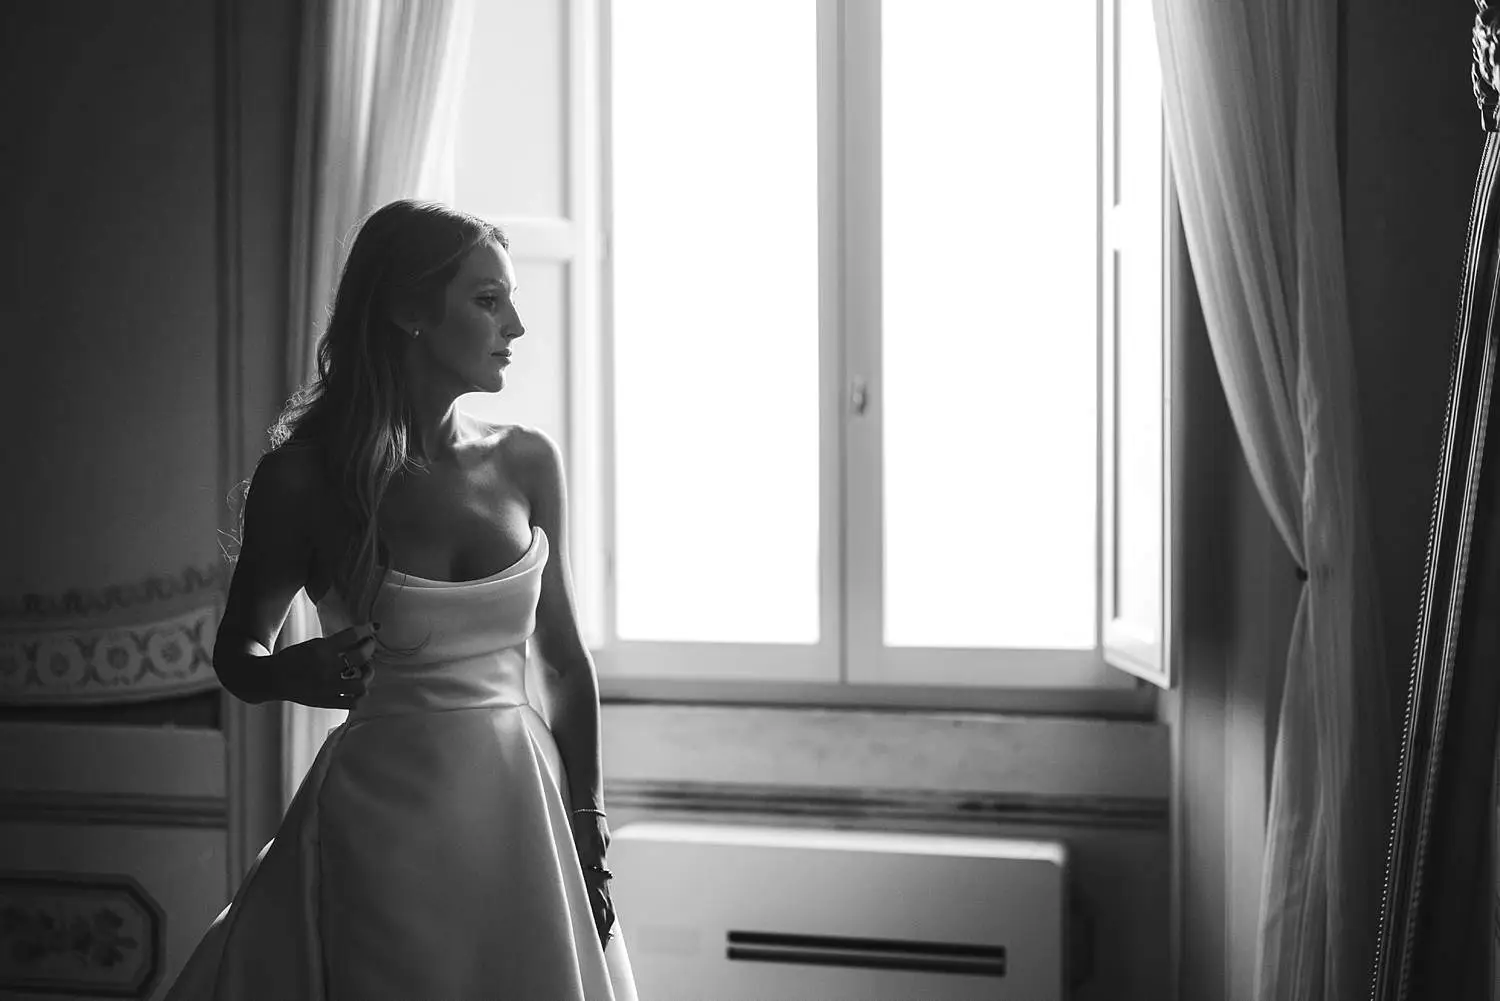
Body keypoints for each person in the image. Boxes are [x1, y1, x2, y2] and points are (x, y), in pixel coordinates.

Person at [164, 199, 639, 1000]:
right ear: (409, 310)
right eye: (489, 300)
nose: (516, 325)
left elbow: (562, 657)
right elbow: (238, 652)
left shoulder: (527, 461)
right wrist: (292, 672)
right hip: (382, 819)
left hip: (519, 806)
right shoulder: (304, 479)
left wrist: (589, 829)